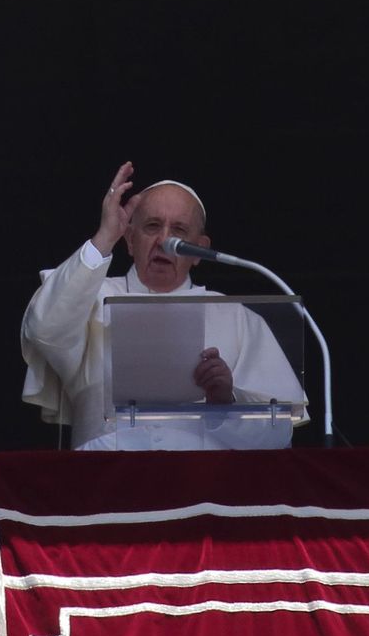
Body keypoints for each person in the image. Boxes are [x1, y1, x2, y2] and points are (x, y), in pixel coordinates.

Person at [21, 161, 306, 450]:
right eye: (152, 226)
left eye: (179, 230)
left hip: (204, 491)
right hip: (105, 483)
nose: (164, 240)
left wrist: (226, 402)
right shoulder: (90, 298)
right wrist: (105, 237)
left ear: (200, 250)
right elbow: (43, 328)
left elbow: (278, 435)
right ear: (129, 239)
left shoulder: (236, 317)